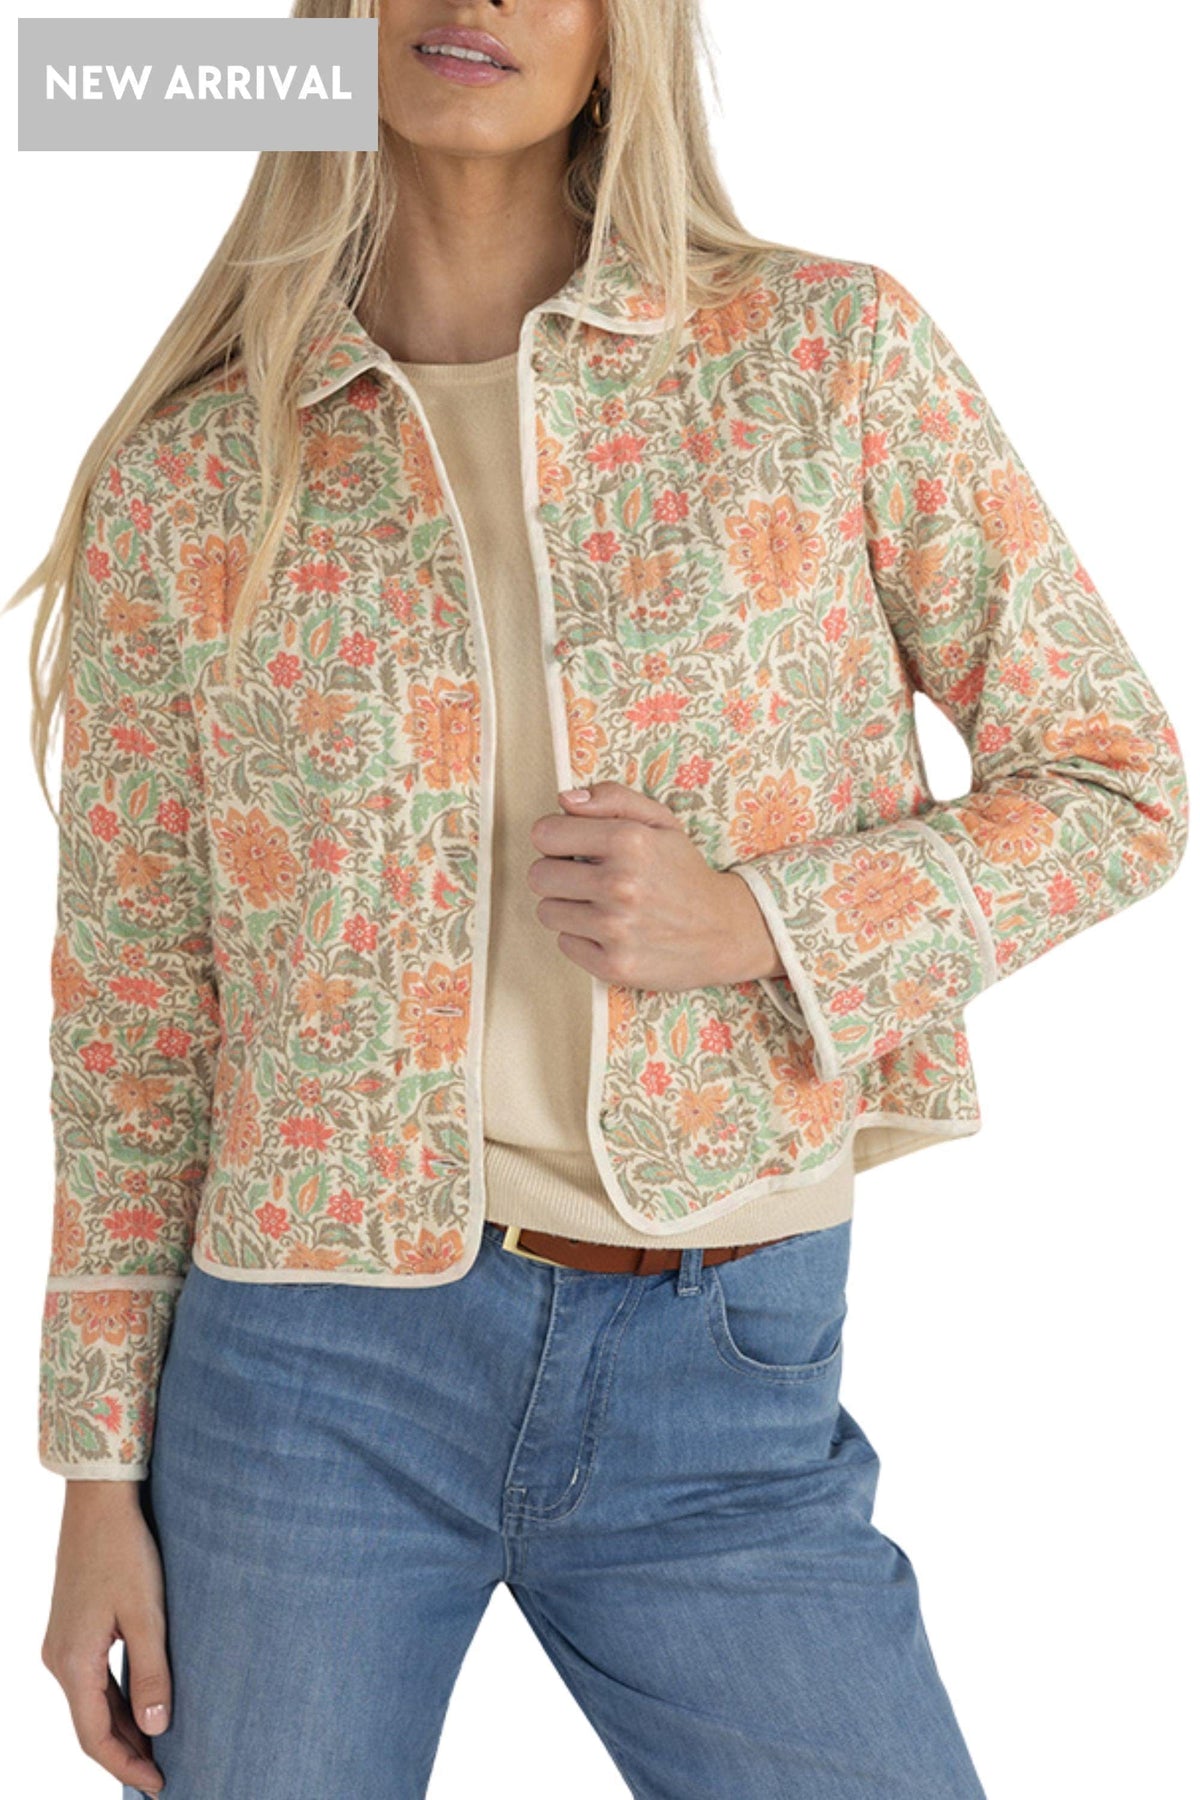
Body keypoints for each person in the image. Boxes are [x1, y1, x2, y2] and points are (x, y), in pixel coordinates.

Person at [18, 2, 1187, 1796]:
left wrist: (765, 922)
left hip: (724, 1365)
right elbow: (136, 1012)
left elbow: (1116, 781)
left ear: (618, 35)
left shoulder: (824, 357)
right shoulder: (193, 478)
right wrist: (97, 1477)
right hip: (308, 1367)